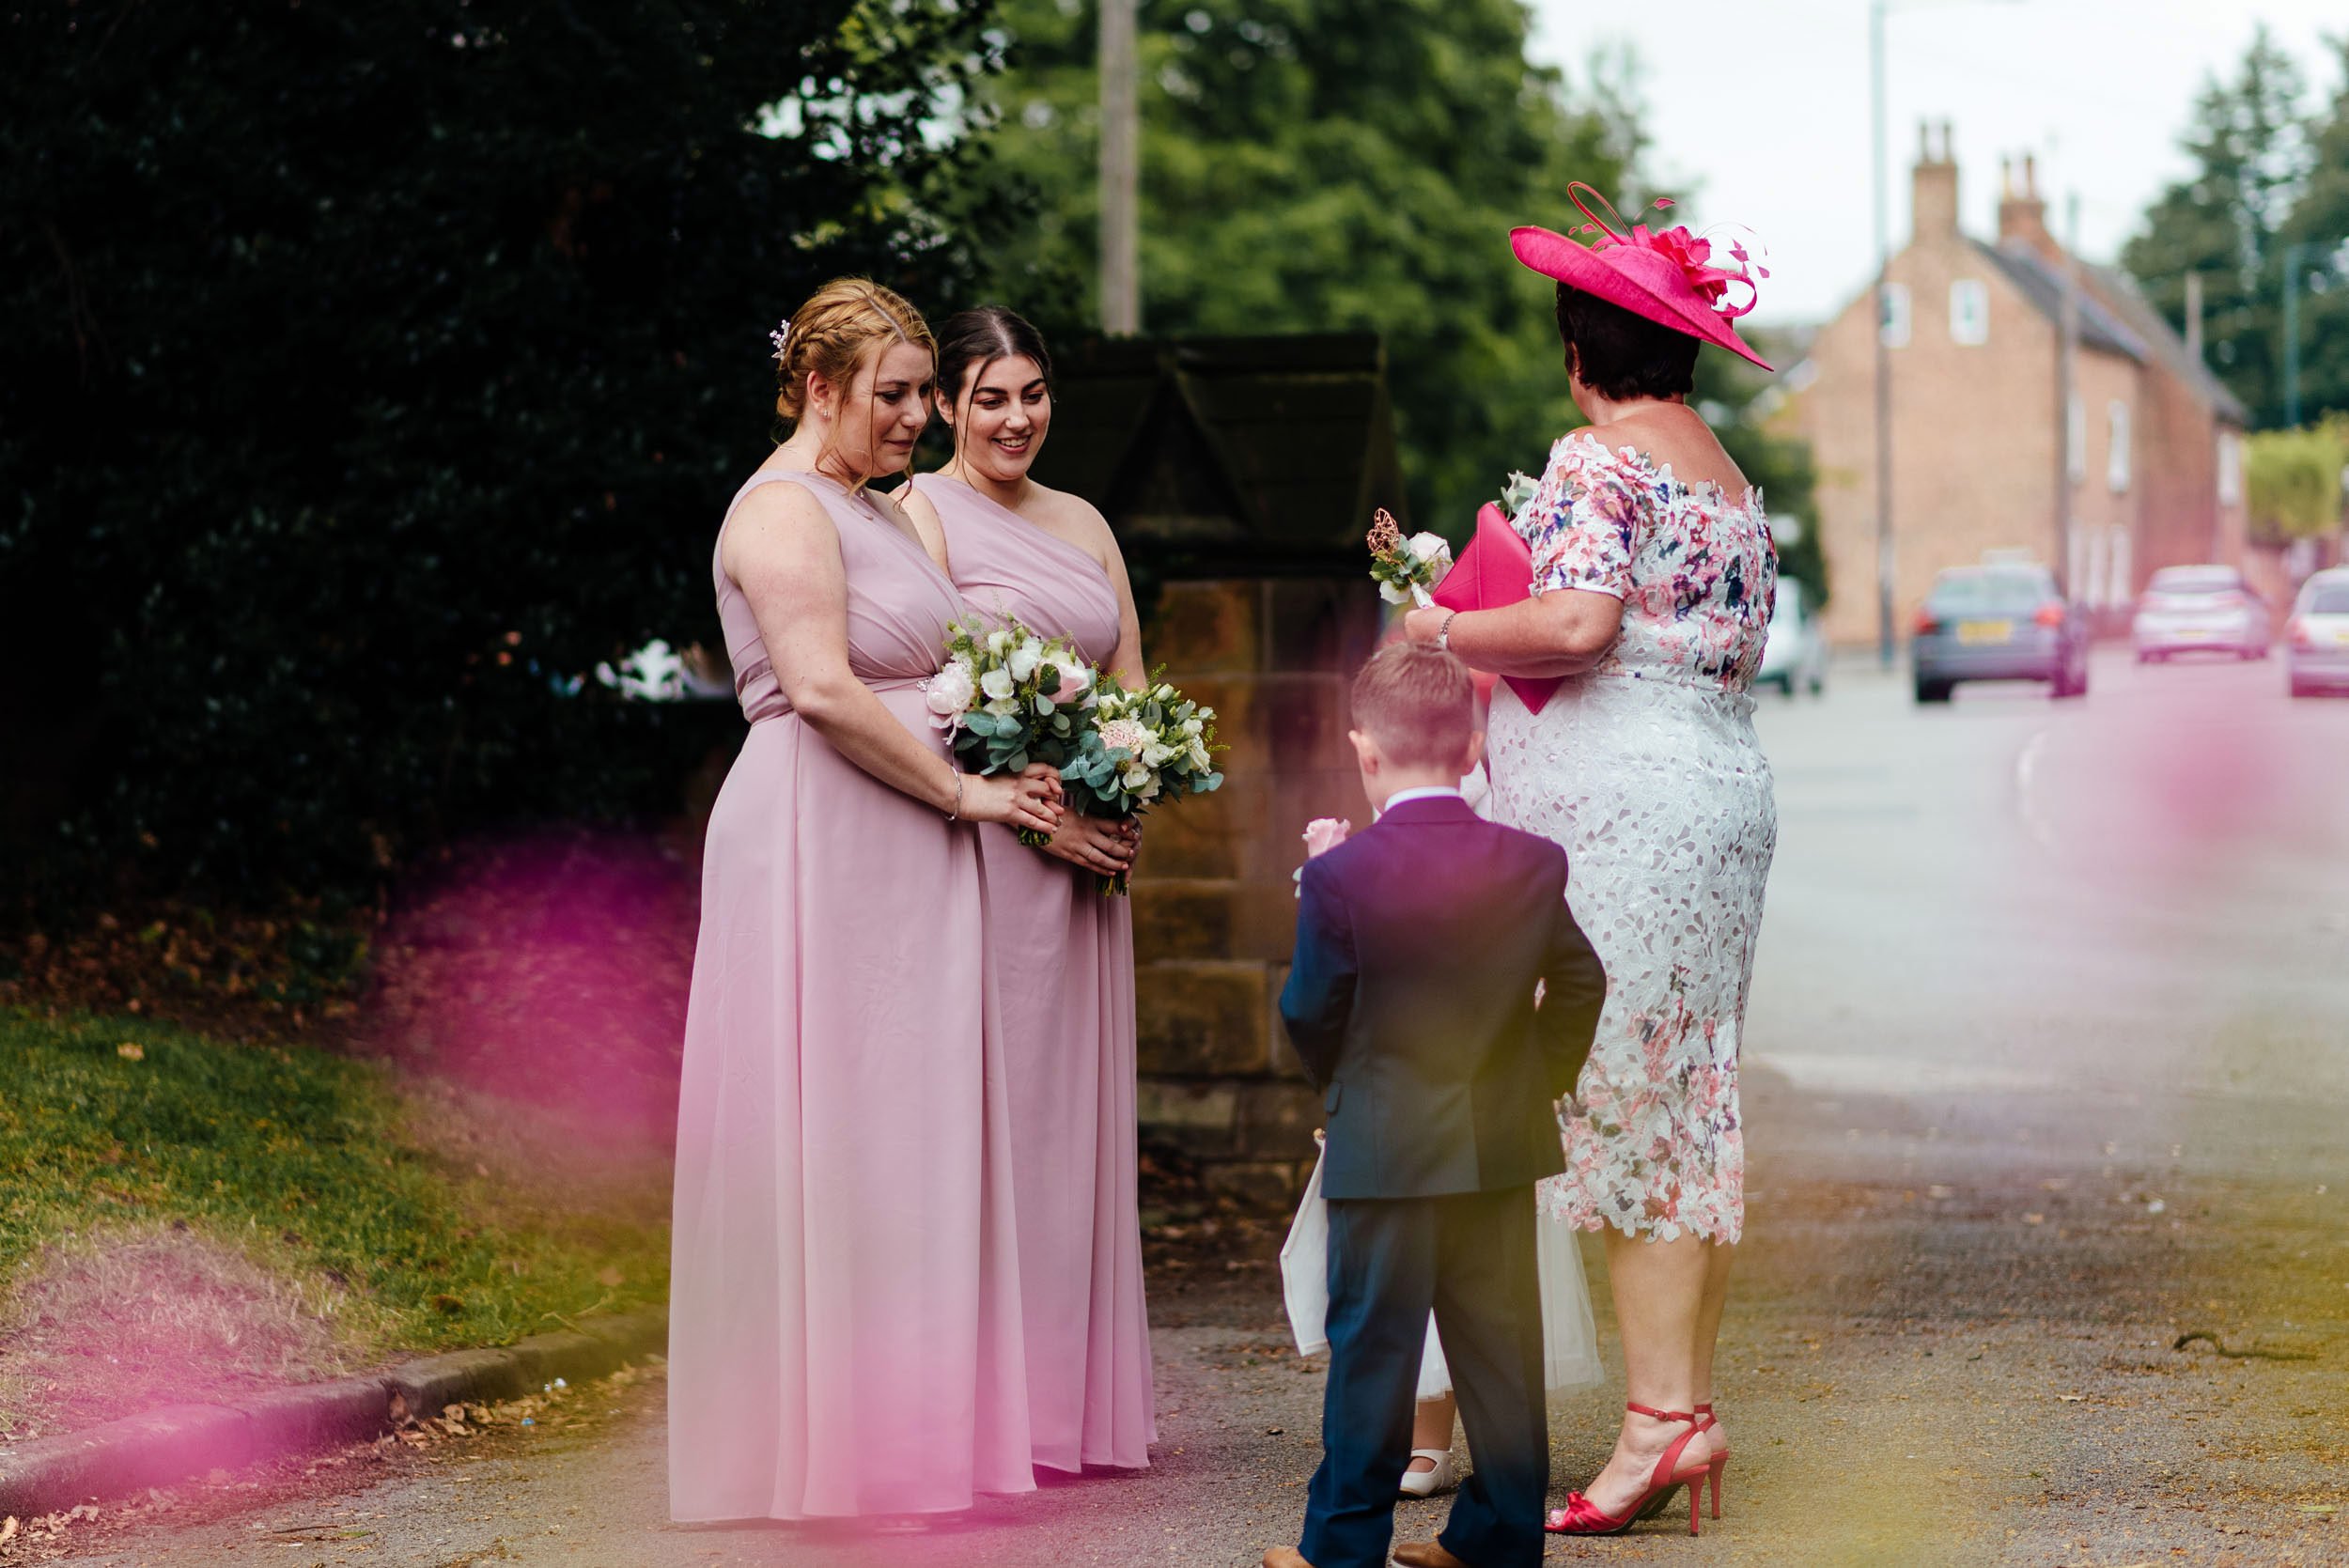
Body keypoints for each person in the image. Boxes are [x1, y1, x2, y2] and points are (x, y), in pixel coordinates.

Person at [1402, 184, 1780, 1536]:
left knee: (1627, 1101)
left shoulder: (1598, 460)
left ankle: (1659, 1424)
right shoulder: (1727, 479)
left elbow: (1573, 623)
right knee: (1686, 1093)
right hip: (1722, 794)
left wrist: (1445, 632)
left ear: (1578, 352)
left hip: (1631, 814)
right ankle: (1683, 1409)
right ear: (1679, 352)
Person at [667, 279, 1065, 1523]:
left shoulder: (872, 509)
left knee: (906, 1134)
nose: (914, 419)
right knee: (832, 1125)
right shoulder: (782, 513)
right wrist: (965, 797)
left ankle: (908, 1439)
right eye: (890, 396)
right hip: (816, 836)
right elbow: (827, 692)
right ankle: (825, 1451)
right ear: (817, 388)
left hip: (899, 844)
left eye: (914, 394)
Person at [1263, 643, 1607, 1568]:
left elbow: (1309, 1009)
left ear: (1364, 751)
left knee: (1372, 1353)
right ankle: (1500, 1535)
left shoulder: (1341, 877)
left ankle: (1340, 1547)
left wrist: (1344, 1092)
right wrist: (1532, 1080)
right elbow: (1581, 983)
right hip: (1496, 1144)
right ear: (1472, 746)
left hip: (1383, 1147)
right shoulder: (1530, 863)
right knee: (1500, 1355)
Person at [897, 306, 1157, 1474]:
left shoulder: (1087, 520)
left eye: (1034, 393)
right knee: (987, 1124)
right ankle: (973, 1414)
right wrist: (1045, 816)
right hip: (992, 861)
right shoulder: (918, 516)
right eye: (990, 397)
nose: (1016, 418)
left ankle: (1064, 1407)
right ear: (947, 405)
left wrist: (1132, 779)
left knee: (1069, 1131)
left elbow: (1130, 684)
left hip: (1090, 860)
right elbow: (932, 695)